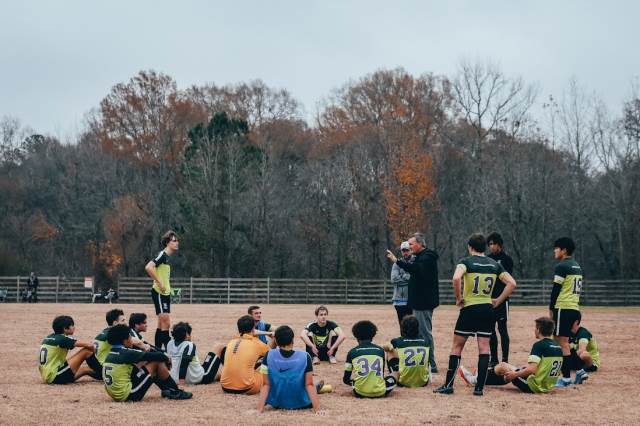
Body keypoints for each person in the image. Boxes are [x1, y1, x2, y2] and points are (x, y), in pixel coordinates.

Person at [433, 233, 516, 396]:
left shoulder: (465, 262)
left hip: (469, 309)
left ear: (470, 247)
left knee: (457, 347)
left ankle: (448, 385)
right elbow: (512, 283)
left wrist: (458, 299)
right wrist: (498, 301)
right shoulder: (494, 264)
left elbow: (456, 278)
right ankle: (479, 388)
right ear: (484, 247)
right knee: (484, 348)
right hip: (487, 309)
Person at [458, 317, 563, 394]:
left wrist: (515, 375)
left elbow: (532, 370)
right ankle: (479, 377)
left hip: (534, 386)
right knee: (508, 371)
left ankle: (474, 379)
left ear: (539, 330)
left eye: (535, 328)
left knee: (504, 367)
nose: (534, 330)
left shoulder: (539, 345)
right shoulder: (557, 346)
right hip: (547, 385)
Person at [386, 232, 439, 372]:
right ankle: (424, 361)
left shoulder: (427, 257)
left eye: (411, 244)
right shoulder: (420, 257)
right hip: (418, 302)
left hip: (423, 302)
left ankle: (431, 365)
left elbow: (415, 269)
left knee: (424, 333)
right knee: (420, 333)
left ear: (420, 244)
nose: (409, 247)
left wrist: (397, 261)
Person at [102, 324, 192, 401]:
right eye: (130, 337)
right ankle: (175, 391)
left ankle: (168, 390)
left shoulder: (111, 353)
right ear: (125, 340)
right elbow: (158, 356)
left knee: (146, 363)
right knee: (157, 362)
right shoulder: (126, 352)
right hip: (129, 394)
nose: (132, 339)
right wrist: (167, 358)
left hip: (117, 394)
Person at [257, 325, 328, 412]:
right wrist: (317, 410)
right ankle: (316, 388)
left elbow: (266, 385)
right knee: (310, 385)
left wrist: (259, 409)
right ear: (292, 340)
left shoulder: (268, 355)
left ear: (275, 341)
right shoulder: (305, 356)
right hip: (302, 403)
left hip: (277, 403)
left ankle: (316, 388)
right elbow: (309, 384)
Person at [549, 237, 583, 388]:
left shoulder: (562, 266)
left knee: (561, 342)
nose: (554, 251)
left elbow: (556, 290)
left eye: (556, 248)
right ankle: (581, 371)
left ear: (563, 250)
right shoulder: (577, 266)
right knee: (566, 343)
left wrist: (551, 309)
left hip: (563, 307)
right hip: (574, 308)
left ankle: (567, 378)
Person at [220, 315, 274, 395]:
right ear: (253, 328)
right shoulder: (257, 343)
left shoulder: (232, 340)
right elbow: (272, 355)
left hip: (225, 386)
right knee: (263, 367)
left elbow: (249, 333)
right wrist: (271, 336)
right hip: (247, 388)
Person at [145, 230, 179, 351]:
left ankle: (157, 351)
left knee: (161, 324)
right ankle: (169, 352)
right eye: (174, 241)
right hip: (159, 293)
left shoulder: (167, 257)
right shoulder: (162, 255)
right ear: (167, 243)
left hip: (165, 293)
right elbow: (149, 267)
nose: (177, 243)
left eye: (177, 240)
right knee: (166, 323)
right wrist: (159, 282)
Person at [343, 320, 396, 398]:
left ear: (356, 336)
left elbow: (346, 380)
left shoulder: (352, 352)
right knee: (394, 376)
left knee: (356, 381)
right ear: (373, 335)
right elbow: (381, 375)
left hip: (359, 392)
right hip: (380, 392)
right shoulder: (380, 351)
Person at [38, 315, 97, 384]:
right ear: (65, 328)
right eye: (72, 325)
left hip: (47, 375)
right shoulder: (63, 338)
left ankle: (100, 374)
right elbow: (89, 345)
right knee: (86, 351)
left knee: (85, 369)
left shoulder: (49, 337)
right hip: (55, 376)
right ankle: (102, 371)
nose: (74, 327)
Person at [486, 232, 514, 366]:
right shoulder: (487, 259)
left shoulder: (507, 260)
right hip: (489, 300)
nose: (492, 247)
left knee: (502, 330)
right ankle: (494, 359)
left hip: (502, 300)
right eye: (490, 244)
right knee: (490, 330)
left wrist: (501, 298)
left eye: (494, 244)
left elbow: (508, 280)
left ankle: (505, 360)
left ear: (500, 245)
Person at [384, 315, 430, 387]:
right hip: (423, 382)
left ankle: (395, 373)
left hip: (403, 382)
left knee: (390, 351)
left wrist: (391, 348)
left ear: (402, 328)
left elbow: (386, 347)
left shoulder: (397, 341)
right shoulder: (426, 341)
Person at [568, 316, 600, 383]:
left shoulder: (583, 333)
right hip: (575, 360)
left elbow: (581, 350)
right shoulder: (567, 333)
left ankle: (584, 369)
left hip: (589, 362)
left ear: (576, 322)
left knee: (584, 354)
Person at [391, 241, 413, 329]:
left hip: (412, 300)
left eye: (407, 250)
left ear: (411, 250)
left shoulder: (416, 262)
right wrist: (408, 277)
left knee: (413, 325)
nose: (405, 252)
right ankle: (404, 342)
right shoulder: (396, 263)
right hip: (399, 301)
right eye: (403, 251)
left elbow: (416, 278)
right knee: (402, 325)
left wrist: (402, 276)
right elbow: (394, 279)